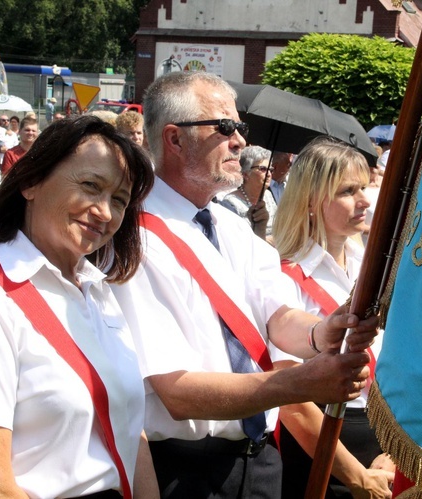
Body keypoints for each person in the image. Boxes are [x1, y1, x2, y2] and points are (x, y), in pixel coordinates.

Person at [112, 71, 378, 499]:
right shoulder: (131, 237)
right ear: (175, 140)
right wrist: (300, 383)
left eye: (240, 128)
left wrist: (326, 331)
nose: (240, 142)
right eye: (224, 128)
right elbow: (177, 391)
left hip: (258, 460)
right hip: (185, 469)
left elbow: (278, 317)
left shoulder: (231, 226)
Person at [0, 115, 159, 498]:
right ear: (31, 181)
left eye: (119, 200)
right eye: (90, 186)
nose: (105, 212)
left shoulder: (99, 292)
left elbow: (130, 429)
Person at [272, 135, 393, 498]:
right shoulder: (280, 276)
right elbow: (291, 401)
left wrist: (395, 450)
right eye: (346, 191)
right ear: (310, 201)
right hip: (321, 446)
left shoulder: (371, 267)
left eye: (363, 187)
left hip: (383, 438)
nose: (363, 201)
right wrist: (357, 477)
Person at [219, 145, 276, 240]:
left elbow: (278, 229)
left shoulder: (268, 195)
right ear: (246, 174)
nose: (269, 174)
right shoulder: (230, 203)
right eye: (263, 169)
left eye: (271, 170)